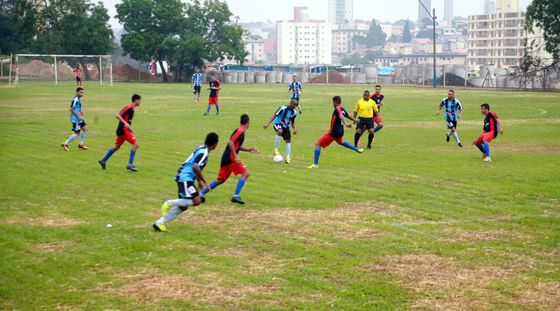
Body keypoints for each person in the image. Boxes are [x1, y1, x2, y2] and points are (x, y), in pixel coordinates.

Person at [153, 133, 219, 232]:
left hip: (184, 177)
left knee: (183, 207)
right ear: (214, 144)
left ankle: (159, 223)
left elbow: (195, 165)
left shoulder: (202, 148)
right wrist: (205, 182)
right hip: (185, 178)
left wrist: (199, 181)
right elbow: (195, 166)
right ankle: (168, 202)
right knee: (197, 201)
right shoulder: (204, 152)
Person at [200, 114, 258, 204]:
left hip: (226, 157)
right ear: (248, 123)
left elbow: (236, 146)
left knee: (220, 180)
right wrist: (235, 156)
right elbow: (230, 142)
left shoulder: (240, 131)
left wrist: (249, 149)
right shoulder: (240, 131)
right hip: (230, 158)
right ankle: (236, 196)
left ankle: (200, 194)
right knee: (246, 173)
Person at [308, 96, 363, 169]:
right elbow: (348, 115)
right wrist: (355, 120)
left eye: (333, 102)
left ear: (335, 102)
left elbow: (341, 116)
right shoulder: (342, 108)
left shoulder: (337, 109)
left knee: (318, 144)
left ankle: (315, 164)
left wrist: (346, 124)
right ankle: (357, 149)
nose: (332, 103)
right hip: (340, 132)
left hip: (333, 132)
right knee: (341, 142)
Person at [98, 94, 142, 171]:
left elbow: (127, 120)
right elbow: (117, 115)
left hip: (123, 129)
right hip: (123, 129)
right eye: (140, 100)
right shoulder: (128, 107)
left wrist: (129, 127)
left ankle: (103, 160)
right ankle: (130, 164)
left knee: (116, 147)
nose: (140, 102)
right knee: (136, 144)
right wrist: (126, 124)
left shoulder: (132, 109)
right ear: (136, 100)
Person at [263, 99, 299, 164]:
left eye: (296, 105)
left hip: (286, 127)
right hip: (277, 123)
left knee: (288, 141)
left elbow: (292, 122)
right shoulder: (282, 108)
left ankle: (288, 158)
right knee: (280, 131)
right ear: (290, 103)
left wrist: (294, 129)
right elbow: (274, 115)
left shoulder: (294, 113)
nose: (295, 107)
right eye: (294, 105)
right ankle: (276, 149)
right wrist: (267, 124)